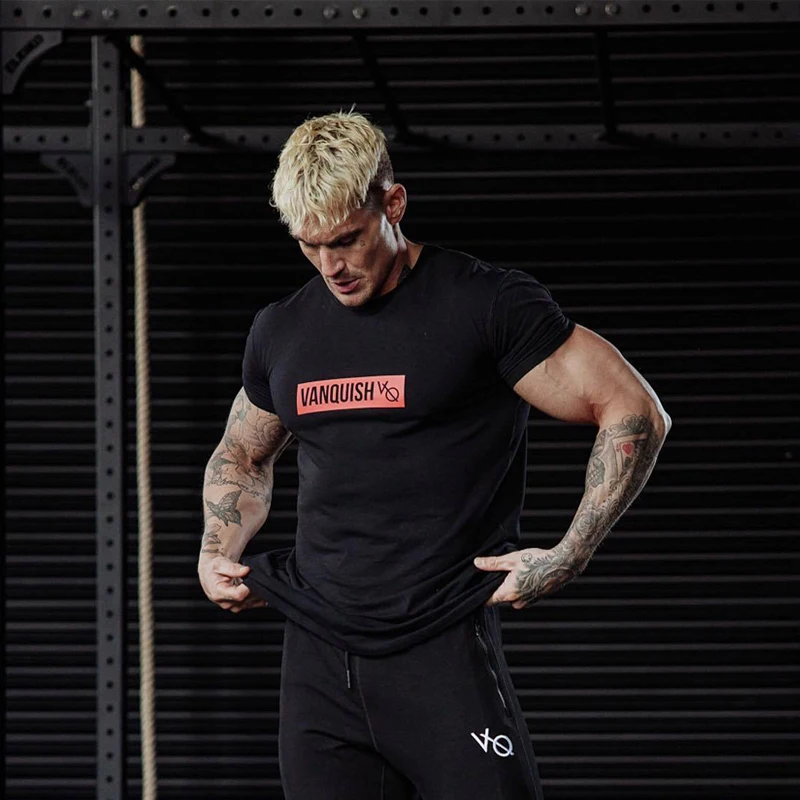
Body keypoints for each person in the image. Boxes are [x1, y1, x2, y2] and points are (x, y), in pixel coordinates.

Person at [197, 109, 671, 800]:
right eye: (309, 245)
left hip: (440, 645)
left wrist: (569, 554)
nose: (331, 267)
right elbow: (241, 455)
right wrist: (216, 548)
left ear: (393, 204)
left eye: (348, 240)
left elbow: (633, 411)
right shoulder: (281, 329)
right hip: (318, 659)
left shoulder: (484, 303)